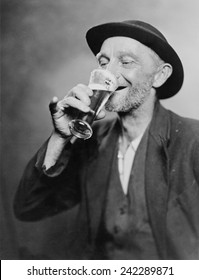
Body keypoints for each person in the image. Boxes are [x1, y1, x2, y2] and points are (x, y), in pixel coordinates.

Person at [14, 20, 199, 260]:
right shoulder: (91, 141)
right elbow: (28, 207)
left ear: (159, 76)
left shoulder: (192, 139)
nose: (109, 73)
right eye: (103, 62)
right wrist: (60, 137)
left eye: (126, 62)